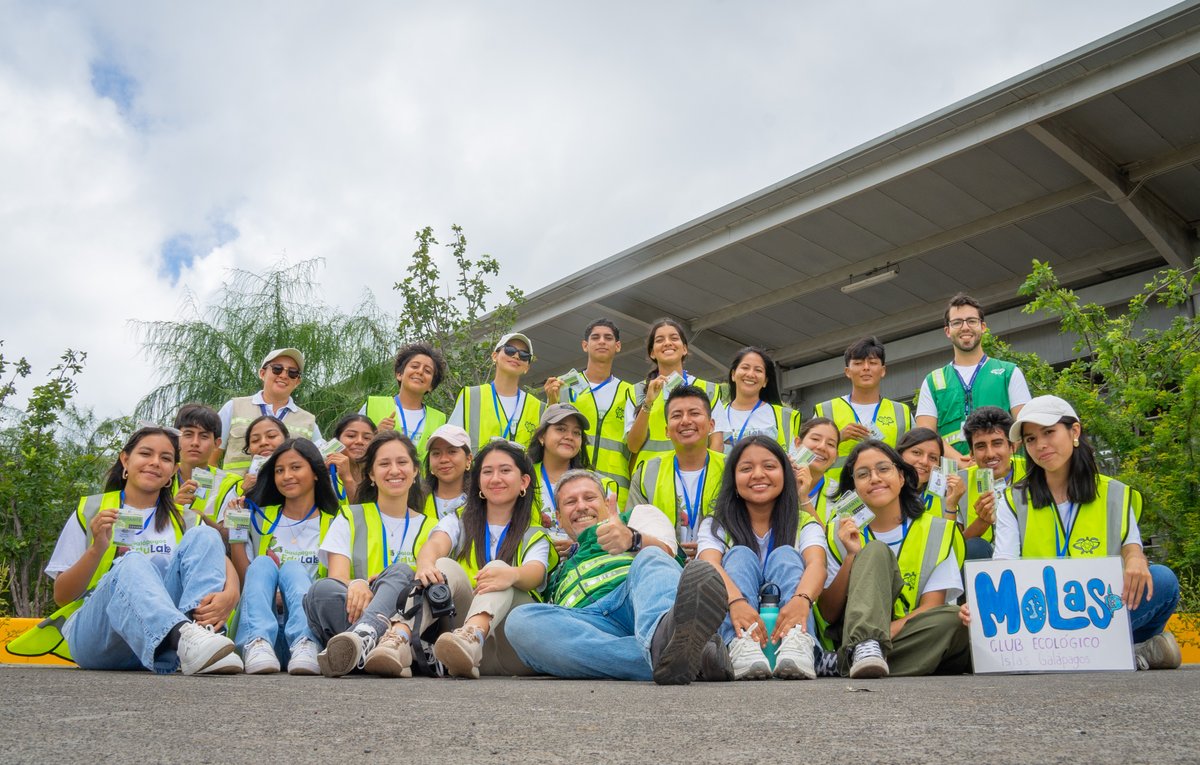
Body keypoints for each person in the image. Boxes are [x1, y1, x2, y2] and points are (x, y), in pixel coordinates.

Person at [13, 427, 243, 674]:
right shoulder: (91, 510)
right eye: (146, 453)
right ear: (125, 460)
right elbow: (62, 596)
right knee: (131, 561)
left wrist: (231, 594)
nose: (155, 463)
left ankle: (201, 638)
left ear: (173, 473)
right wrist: (97, 549)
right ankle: (185, 639)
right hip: (100, 638)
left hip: (161, 648)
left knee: (206, 534)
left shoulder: (186, 520)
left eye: (165, 458)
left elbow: (223, 565)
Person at [990, 395, 1181, 670]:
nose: (1040, 445)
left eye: (1048, 432)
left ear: (1074, 431)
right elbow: (1004, 565)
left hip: (1100, 610)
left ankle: (1106, 653)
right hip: (1041, 618)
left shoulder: (1114, 492)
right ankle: (1133, 652)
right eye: (1030, 439)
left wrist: (1136, 557)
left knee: (1162, 580)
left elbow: (1131, 544)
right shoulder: (1013, 499)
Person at [505, 470, 730, 684]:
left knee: (651, 554)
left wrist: (632, 539)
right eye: (570, 502)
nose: (581, 506)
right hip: (587, 623)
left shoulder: (636, 516)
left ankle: (661, 640)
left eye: (589, 497)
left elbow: (667, 552)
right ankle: (688, 657)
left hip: (636, 601)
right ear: (559, 518)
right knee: (519, 622)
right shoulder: (556, 564)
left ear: (606, 503)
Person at [818, 440, 969, 679]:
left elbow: (932, 606)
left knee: (954, 620)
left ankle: (848, 659)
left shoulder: (937, 529)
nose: (875, 478)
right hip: (852, 633)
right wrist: (851, 556)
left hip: (910, 631)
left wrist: (877, 637)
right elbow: (828, 613)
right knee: (875, 550)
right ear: (854, 488)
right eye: (863, 474)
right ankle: (864, 651)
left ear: (901, 477)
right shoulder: (837, 532)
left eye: (883, 469)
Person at [408, 439, 558, 678]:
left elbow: (535, 572)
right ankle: (400, 639)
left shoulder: (535, 532)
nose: (495, 478)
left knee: (500, 572)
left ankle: (473, 635)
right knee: (442, 564)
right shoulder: (458, 520)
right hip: (466, 651)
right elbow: (435, 544)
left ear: (524, 482)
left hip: (515, 652)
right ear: (478, 481)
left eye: (505, 470)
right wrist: (425, 563)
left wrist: (512, 574)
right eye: (487, 472)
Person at [304, 432, 437, 677]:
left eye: (402, 462)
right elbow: (338, 577)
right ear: (371, 475)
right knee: (320, 592)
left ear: (416, 470)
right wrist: (358, 583)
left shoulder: (434, 528)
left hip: (408, 618)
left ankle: (363, 639)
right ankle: (372, 649)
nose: (394, 470)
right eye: (384, 464)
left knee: (402, 572)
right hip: (355, 605)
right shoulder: (349, 516)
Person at [698, 436, 827, 680]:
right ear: (734, 481)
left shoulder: (803, 522)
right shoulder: (716, 525)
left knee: (785, 555)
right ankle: (738, 644)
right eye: (746, 468)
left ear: (785, 476)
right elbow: (709, 563)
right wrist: (736, 602)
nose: (758, 474)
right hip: (734, 623)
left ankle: (797, 642)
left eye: (769, 466)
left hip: (791, 620)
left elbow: (817, 565)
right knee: (740, 555)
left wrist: (802, 599)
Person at [232, 438, 340, 675]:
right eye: (279, 470)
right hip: (262, 636)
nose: (286, 476)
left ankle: (306, 641)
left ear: (315, 472)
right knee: (261, 563)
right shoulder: (257, 516)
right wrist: (236, 529)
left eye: (295, 467)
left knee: (292, 568)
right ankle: (256, 640)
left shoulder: (334, 523)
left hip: (311, 632)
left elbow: (334, 586)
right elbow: (245, 579)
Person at [916, 294, 1031, 466]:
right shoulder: (933, 381)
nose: (965, 327)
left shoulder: (1008, 372)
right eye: (957, 322)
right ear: (947, 331)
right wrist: (961, 462)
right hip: (955, 477)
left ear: (983, 326)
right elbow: (925, 433)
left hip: (1006, 473)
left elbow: (1025, 423)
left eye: (971, 321)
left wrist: (995, 457)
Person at [544, 318, 637, 507]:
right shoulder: (563, 385)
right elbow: (549, 432)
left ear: (617, 346)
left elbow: (634, 446)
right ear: (585, 345)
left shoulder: (631, 392)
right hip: (571, 483)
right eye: (596, 337)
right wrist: (551, 400)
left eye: (608, 338)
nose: (602, 341)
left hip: (616, 490)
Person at [627, 385, 725, 555]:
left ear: (711, 425)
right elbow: (634, 530)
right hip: (663, 564)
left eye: (694, 413)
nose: (685, 421)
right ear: (667, 431)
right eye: (676, 415)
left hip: (721, 562)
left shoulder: (732, 468)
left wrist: (711, 549)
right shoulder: (647, 472)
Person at [625, 318, 721, 470]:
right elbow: (633, 446)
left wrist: (708, 473)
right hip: (651, 478)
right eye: (659, 340)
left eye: (674, 338)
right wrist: (648, 402)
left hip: (696, 474)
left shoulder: (709, 389)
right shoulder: (636, 391)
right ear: (652, 353)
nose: (668, 343)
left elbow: (717, 441)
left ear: (684, 349)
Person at [812, 337, 912, 470]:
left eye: (872, 362)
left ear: (883, 370)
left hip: (885, 488)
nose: (866, 368)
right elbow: (805, 455)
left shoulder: (901, 412)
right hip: (836, 489)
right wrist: (837, 438)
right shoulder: (826, 410)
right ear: (847, 372)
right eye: (858, 363)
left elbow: (914, 455)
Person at [216, 348, 321, 473]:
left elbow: (320, 464)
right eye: (277, 369)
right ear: (262, 373)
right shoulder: (234, 407)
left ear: (297, 381)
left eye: (292, 372)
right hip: (239, 491)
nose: (283, 375)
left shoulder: (308, 421)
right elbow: (210, 457)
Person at [449, 333, 544, 449]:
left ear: (527, 368)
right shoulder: (471, 396)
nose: (516, 356)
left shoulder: (539, 408)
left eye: (524, 355)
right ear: (495, 356)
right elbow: (451, 441)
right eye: (509, 350)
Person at [955, 406, 1026, 560]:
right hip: (983, 565)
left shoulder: (1032, 472)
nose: (990, 454)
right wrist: (982, 521)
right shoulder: (960, 482)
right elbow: (956, 548)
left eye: (997, 443)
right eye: (981, 446)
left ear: (1012, 446)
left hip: (1029, 560)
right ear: (972, 453)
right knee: (974, 547)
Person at [362, 342, 449, 459]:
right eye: (414, 366)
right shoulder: (372, 405)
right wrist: (375, 435)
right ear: (399, 374)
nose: (420, 372)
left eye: (427, 371)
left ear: (431, 386)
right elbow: (351, 450)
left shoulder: (440, 419)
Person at [711, 347, 802, 455]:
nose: (750, 374)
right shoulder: (716, 414)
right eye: (745, 367)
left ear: (765, 381)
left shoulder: (786, 417)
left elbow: (797, 462)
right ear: (733, 375)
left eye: (758, 370)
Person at [213, 415, 291, 522]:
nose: (263, 442)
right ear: (249, 449)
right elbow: (227, 533)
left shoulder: (298, 480)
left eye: (271, 436)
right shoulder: (239, 488)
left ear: (287, 439)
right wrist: (245, 496)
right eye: (255, 440)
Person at [897, 427, 965, 523]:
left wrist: (951, 506)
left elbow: (951, 537)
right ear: (900, 454)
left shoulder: (945, 493)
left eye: (933, 458)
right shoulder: (884, 489)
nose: (924, 462)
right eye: (916, 453)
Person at [171, 403, 224, 522]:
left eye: (204, 436)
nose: (195, 442)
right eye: (188, 435)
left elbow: (235, 536)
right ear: (175, 438)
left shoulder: (231, 484)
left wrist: (202, 519)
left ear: (217, 444)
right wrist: (172, 509)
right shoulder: (158, 476)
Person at [793, 417, 841, 525]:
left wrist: (804, 499)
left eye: (830, 444)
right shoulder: (775, 480)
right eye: (815, 439)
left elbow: (830, 540)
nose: (822, 447)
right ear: (798, 443)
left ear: (836, 457)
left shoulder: (840, 495)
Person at [422, 424, 473, 520]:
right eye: (436, 453)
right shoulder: (415, 501)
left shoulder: (481, 502)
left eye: (452, 451)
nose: (444, 459)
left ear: (468, 459)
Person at [325, 414, 376, 507]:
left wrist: (347, 478)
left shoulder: (380, 476)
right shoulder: (326, 477)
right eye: (351, 436)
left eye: (367, 438)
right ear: (336, 441)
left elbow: (362, 516)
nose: (359, 441)